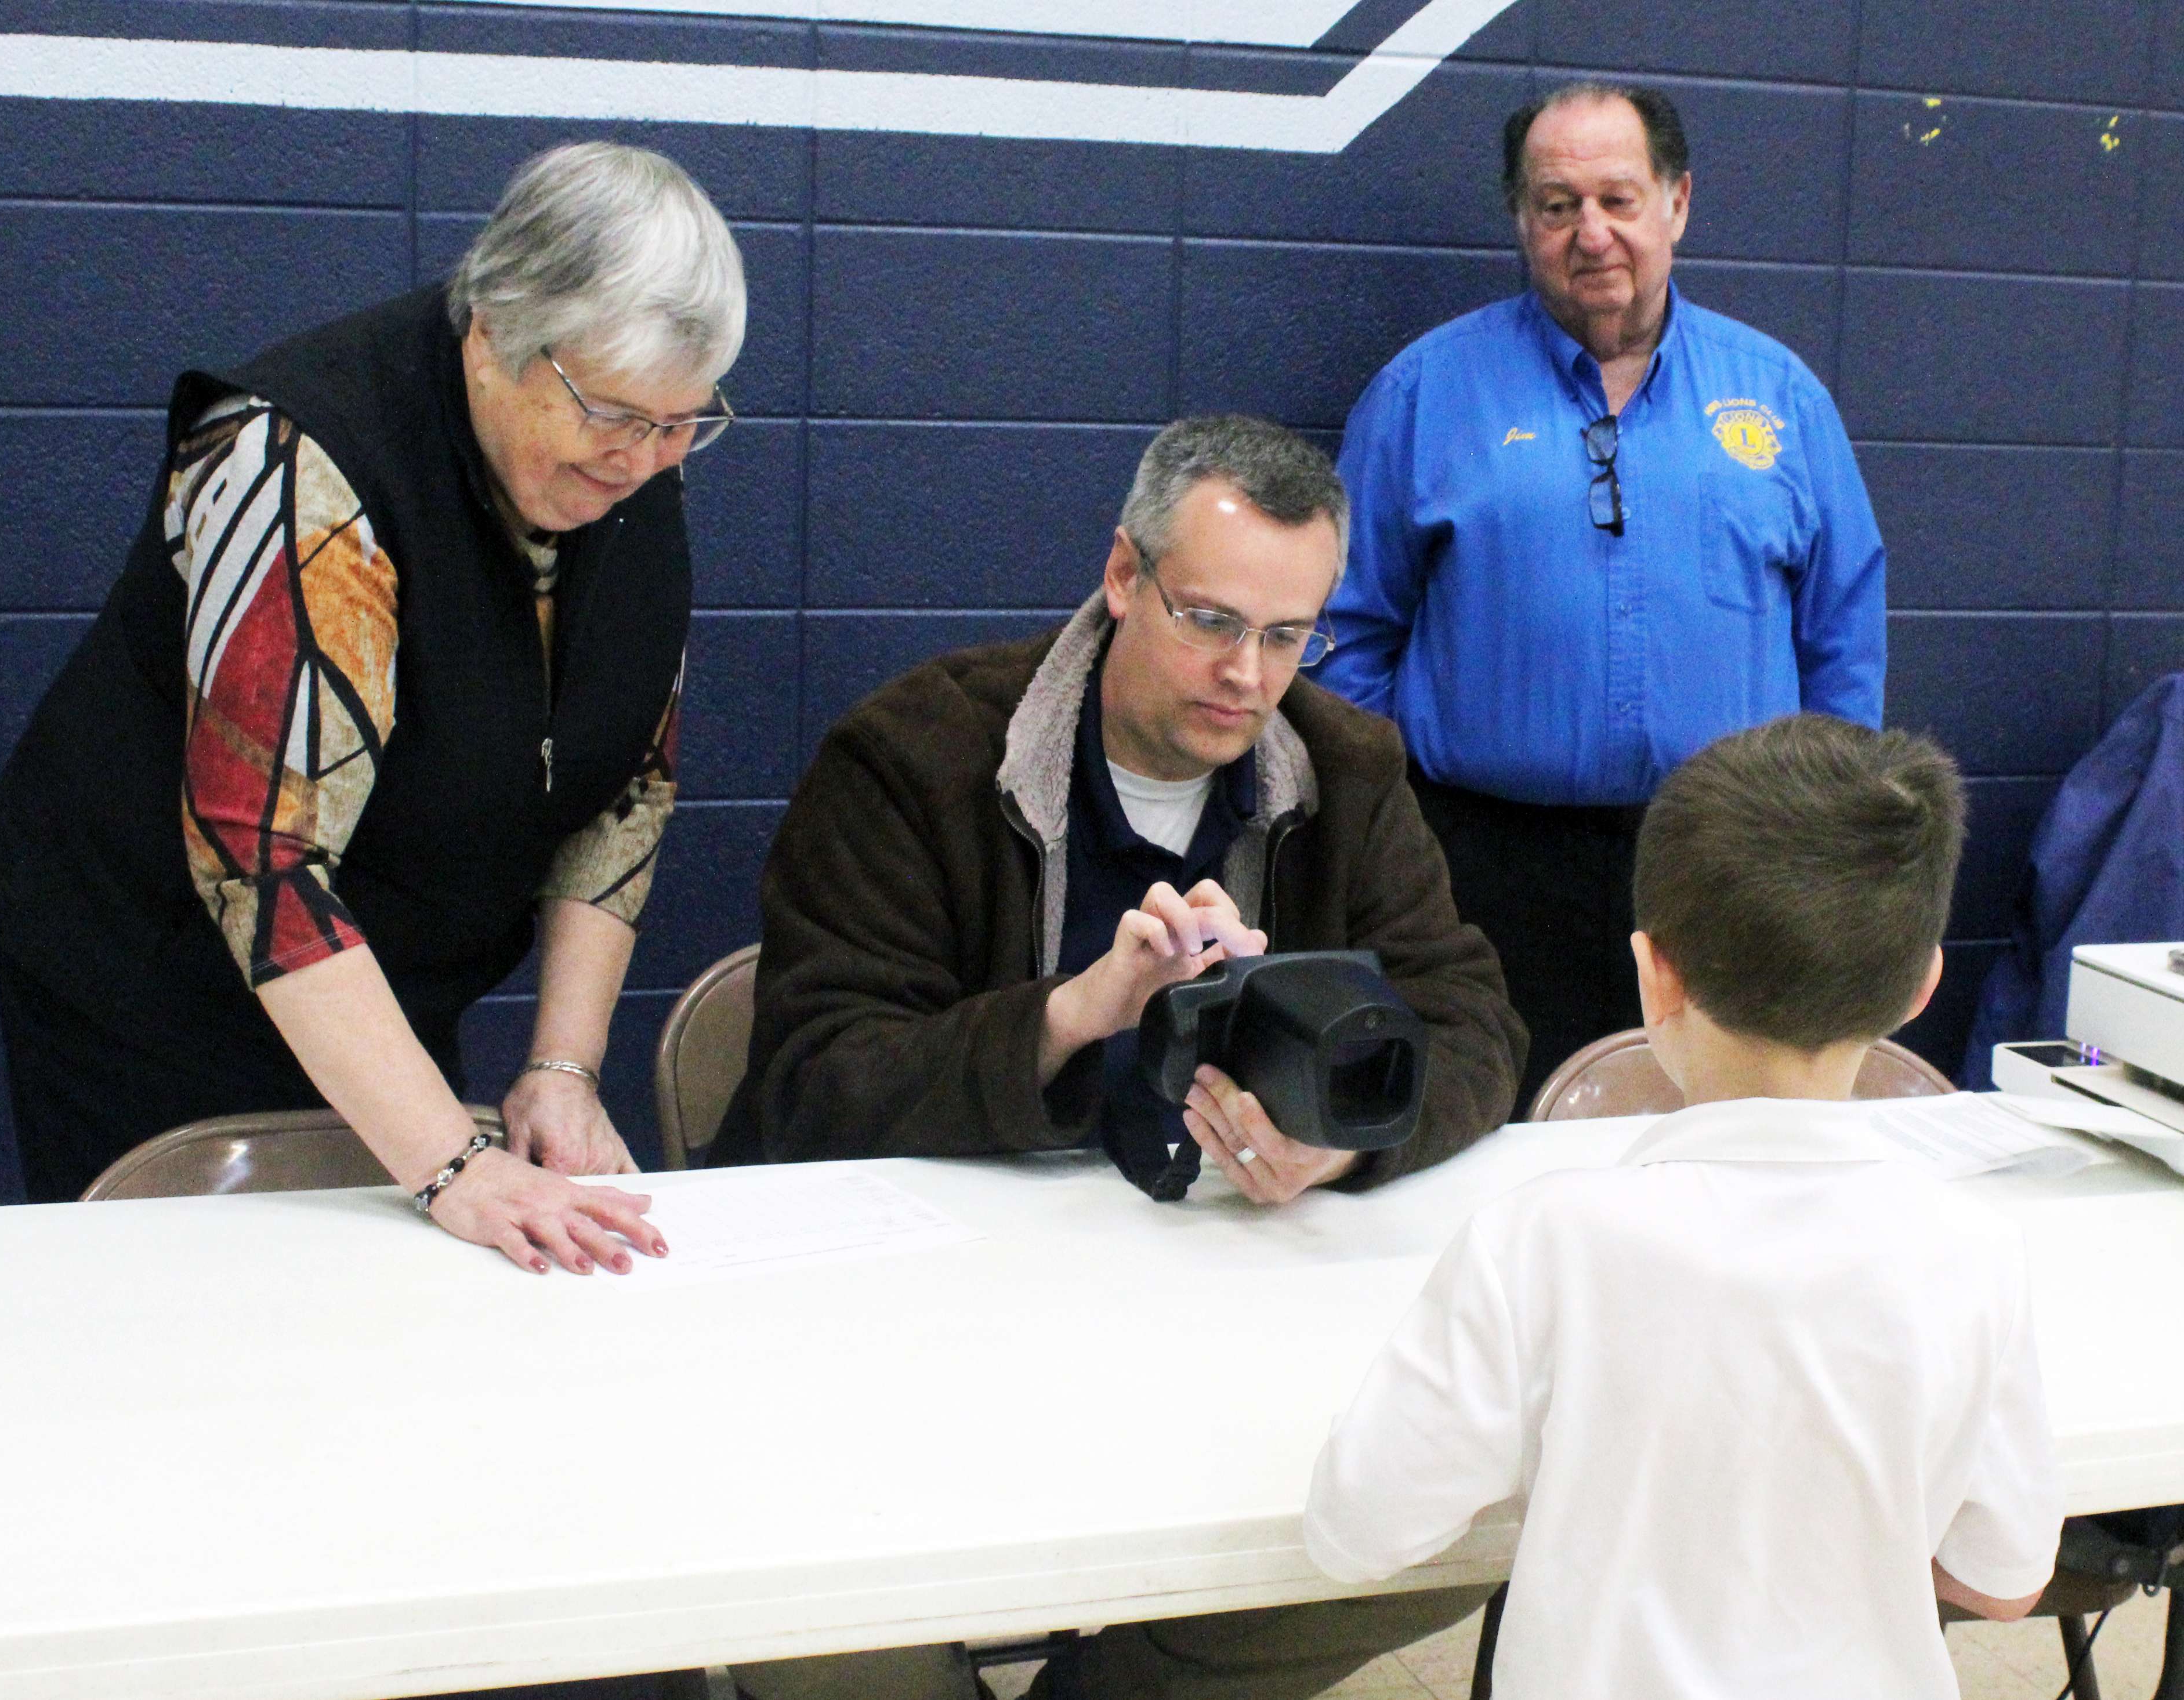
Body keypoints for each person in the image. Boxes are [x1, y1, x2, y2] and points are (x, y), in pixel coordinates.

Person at [712, 415, 1527, 1700]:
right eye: (1208, 619)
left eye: (1285, 633)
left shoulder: (1346, 771)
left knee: (1458, 1526)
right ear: (1121, 577)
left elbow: (1474, 1019)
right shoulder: (914, 758)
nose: (1247, 674)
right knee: (808, 1615)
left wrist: (1346, 1139)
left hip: (1209, 1322)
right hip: (910, 1340)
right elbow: (814, 1079)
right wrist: (1071, 1014)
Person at [0, 143, 745, 1274]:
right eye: (614, 416)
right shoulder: (299, 464)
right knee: (189, 1317)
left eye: (682, 424)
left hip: (371, 968)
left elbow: (624, 785)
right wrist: (449, 1163)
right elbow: (259, 861)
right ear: (490, 335)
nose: (644, 461)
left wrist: (563, 1069)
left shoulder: (630, 458)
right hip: (150, 986)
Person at [1303, 714, 2063, 1699]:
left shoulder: (1542, 1240)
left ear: (1652, 971)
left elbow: (1354, 1533)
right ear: (1920, 988)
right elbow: (2002, 1583)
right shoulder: (1975, 1252)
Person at [1317, 81, 1888, 1114]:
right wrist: (1387, 821)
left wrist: (1831, 830)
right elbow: (1347, 628)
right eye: (1556, 204)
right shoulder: (1423, 394)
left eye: (1619, 200)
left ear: (1676, 203)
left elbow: (1841, 631)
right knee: (1478, 1132)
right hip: (1479, 868)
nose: (1592, 234)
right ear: (1520, 221)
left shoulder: (1780, 397)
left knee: (1711, 1145)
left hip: (1727, 860)